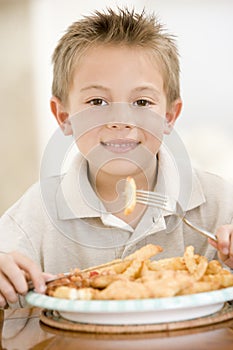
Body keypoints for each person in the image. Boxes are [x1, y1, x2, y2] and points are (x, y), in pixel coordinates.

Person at [0, 7, 232, 309]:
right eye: (97, 101)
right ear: (64, 117)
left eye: (141, 102)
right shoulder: (30, 222)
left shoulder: (221, 206)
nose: (121, 120)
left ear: (169, 117)